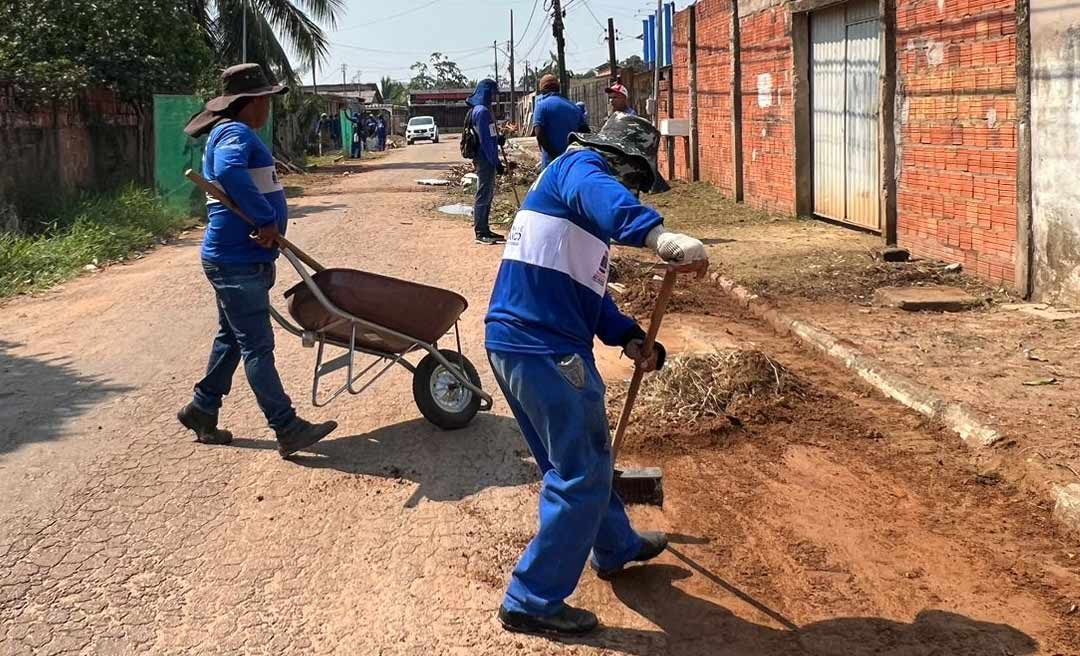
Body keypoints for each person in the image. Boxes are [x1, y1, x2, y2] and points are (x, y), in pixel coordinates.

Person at [485, 112, 709, 636]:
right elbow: (601, 193)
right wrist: (656, 235)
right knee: (582, 471)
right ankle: (531, 599)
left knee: (580, 461)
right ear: (619, 161)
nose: (630, 186)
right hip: (543, 348)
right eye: (633, 177)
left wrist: (628, 335)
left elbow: (588, 292)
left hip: (522, 342)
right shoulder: (578, 167)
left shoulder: (573, 217)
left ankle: (614, 545)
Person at [179, 64, 338, 458]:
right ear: (248, 102)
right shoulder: (234, 132)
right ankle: (286, 427)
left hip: (237, 258)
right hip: (236, 262)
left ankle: (202, 408)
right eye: (266, 98)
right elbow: (232, 171)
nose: (269, 106)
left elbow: (240, 176)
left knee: (232, 337)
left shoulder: (230, 132)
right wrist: (266, 219)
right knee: (256, 345)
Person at [466, 79, 506, 245]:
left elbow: (490, 136)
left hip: (486, 157)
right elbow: (485, 142)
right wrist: (496, 162)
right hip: (485, 158)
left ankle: (485, 228)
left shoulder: (482, 110)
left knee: (487, 193)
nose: (494, 98)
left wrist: (498, 139)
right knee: (483, 193)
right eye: (492, 94)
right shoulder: (482, 112)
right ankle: (481, 231)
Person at [532, 74, 590, 169]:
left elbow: (539, 134)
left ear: (542, 89)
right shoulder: (573, 107)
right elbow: (586, 134)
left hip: (551, 165)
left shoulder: (541, 107)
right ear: (558, 88)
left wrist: (557, 157)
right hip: (572, 163)